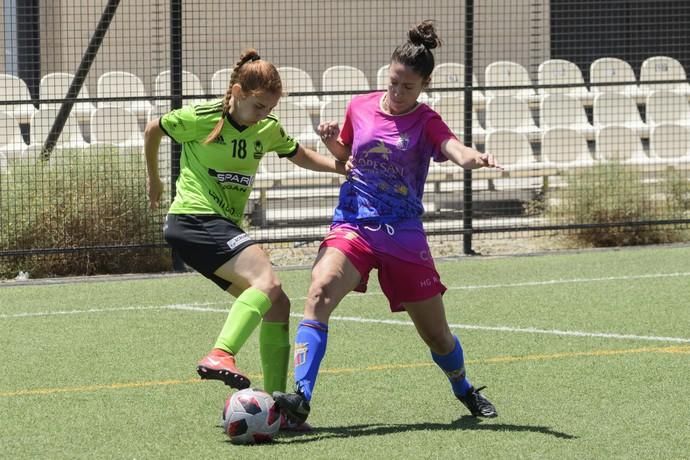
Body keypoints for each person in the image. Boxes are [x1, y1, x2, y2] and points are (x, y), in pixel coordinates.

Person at [273, 21, 502, 424]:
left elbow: (453, 148)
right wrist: (333, 146)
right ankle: (301, 397)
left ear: (425, 85)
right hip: (353, 224)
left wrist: (473, 157)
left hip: (404, 237)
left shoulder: (426, 121)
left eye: (407, 87)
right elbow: (346, 160)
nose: (397, 93)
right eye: (393, 82)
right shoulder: (359, 106)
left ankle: (464, 388)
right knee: (320, 290)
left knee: (436, 335)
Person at [144, 49, 346, 429]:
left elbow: (298, 153)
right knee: (268, 281)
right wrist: (155, 180)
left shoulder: (266, 129)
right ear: (236, 92)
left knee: (277, 304)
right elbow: (153, 128)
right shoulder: (203, 118)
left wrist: (341, 168)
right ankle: (221, 353)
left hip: (216, 227)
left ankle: (278, 410)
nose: (263, 113)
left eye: (269, 107)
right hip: (194, 217)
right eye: (257, 105)